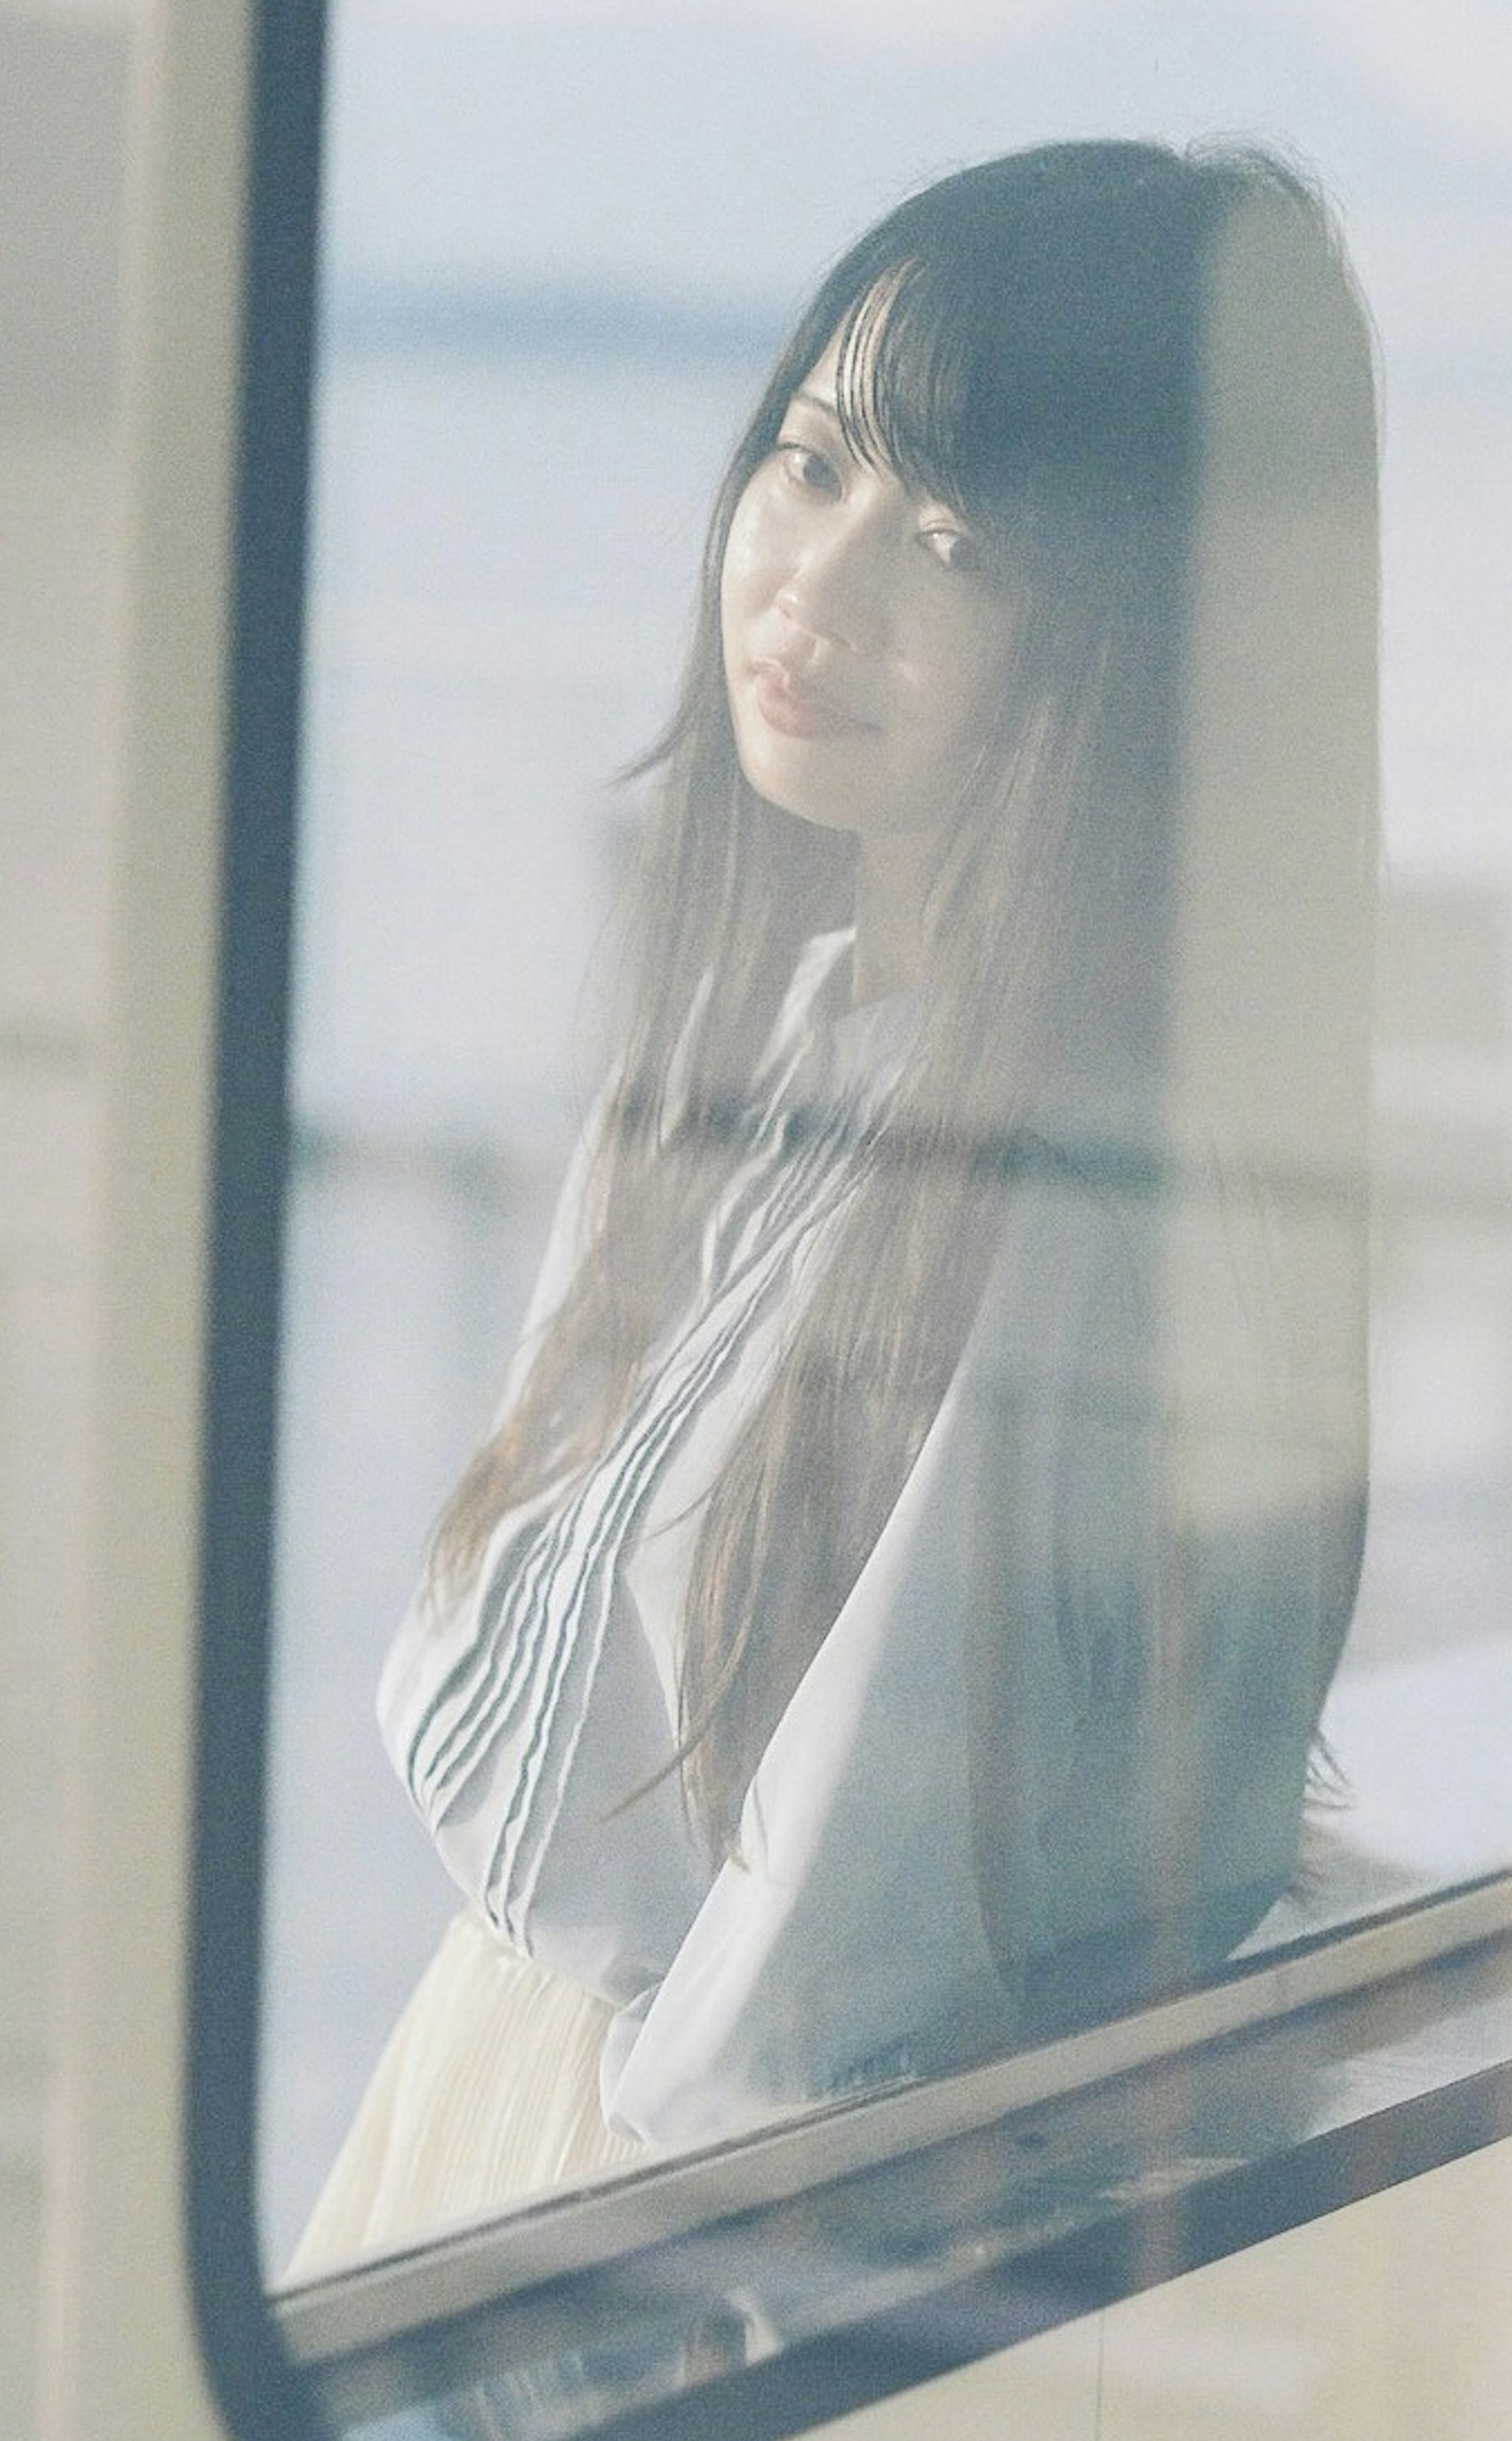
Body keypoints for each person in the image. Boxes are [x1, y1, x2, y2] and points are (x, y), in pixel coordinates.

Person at [292, 140, 1380, 2270]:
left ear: (1126, 636)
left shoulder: (1066, 1180)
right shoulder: (772, 1023)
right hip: (503, 2067)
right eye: (808, 464)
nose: (817, 585)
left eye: (954, 535)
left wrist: (589, 2251)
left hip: (667, 2190)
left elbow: (821, 1971)